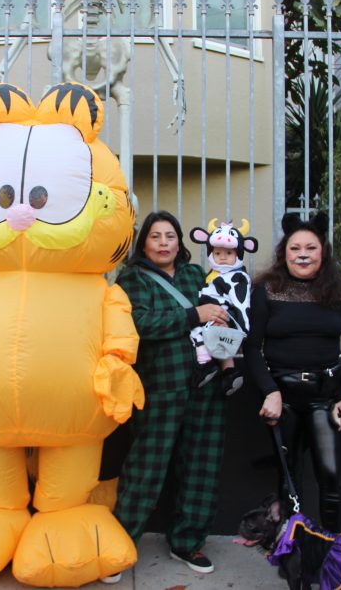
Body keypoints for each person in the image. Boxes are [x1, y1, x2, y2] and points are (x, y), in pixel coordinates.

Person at [111, 210, 230, 578]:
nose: (164, 243)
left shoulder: (197, 275)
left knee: (200, 466)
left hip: (206, 385)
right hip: (161, 387)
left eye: (170, 237)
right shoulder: (132, 280)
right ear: (143, 242)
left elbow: (224, 310)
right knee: (146, 468)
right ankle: (120, 545)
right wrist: (194, 315)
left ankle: (187, 542)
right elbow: (140, 324)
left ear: (181, 242)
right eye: (156, 236)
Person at [244, 210, 341, 533]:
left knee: (331, 478)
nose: (302, 255)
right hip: (281, 399)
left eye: (310, 248)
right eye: (295, 248)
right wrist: (270, 390)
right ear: (284, 252)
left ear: (322, 251)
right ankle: (292, 550)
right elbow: (252, 347)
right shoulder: (266, 290)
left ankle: (331, 550)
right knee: (289, 480)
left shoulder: (340, 292)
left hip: (325, 399)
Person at [188, 219, 258, 392]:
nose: (223, 257)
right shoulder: (214, 274)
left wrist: (242, 328)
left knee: (200, 335)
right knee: (200, 334)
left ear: (239, 254)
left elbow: (242, 304)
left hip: (222, 316)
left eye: (229, 253)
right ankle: (226, 372)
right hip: (211, 317)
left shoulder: (237, 277)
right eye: (217, 253)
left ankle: (208, 366)